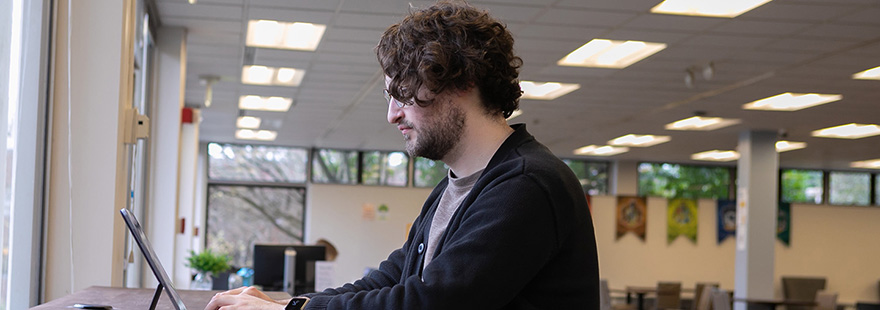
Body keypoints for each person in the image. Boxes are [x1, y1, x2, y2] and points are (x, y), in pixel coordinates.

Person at [206, 1, 599, 309]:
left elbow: (433, 302)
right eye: (389, 96)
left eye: (403, 93)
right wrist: (292, 304)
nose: (392, 114)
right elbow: (392, 279)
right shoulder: (454, 188)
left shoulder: (527, 184)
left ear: (461, 80)